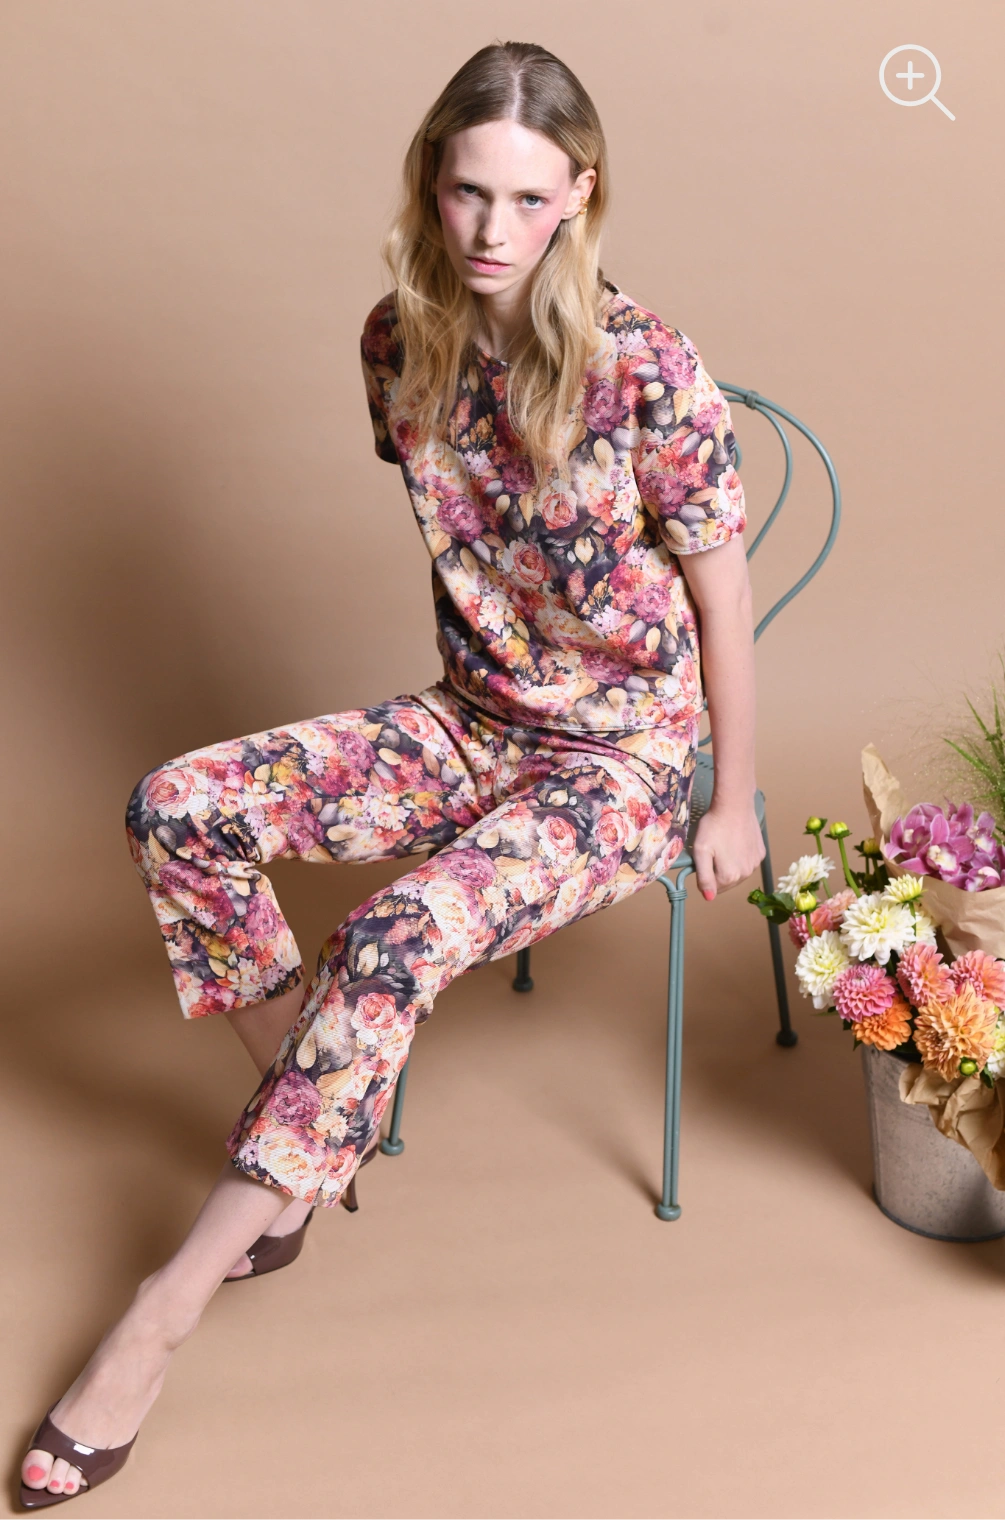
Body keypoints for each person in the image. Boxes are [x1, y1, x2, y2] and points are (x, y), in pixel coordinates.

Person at [18, 39, 764, 1506]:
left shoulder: (648, 370)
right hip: (472, 721)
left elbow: (721, 591)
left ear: (581, 195)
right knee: (177, 807)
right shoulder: (395, 343)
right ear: (431, 182)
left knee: (391, 936)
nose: (492, 227)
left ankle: (163, 1310)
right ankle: (311, 1127)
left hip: (621, 759)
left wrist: (730, 796)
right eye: (468, 190)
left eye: (528, 198)